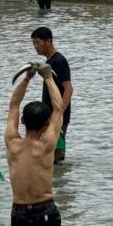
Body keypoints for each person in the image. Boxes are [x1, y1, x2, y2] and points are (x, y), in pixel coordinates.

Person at [5, 62, 64, 226]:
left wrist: (27, 78)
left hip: (19, 212)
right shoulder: (47, 145)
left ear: (22, 121)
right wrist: (48, 76)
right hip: (45, 209)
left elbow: (14, 105)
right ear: (46, 123)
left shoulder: (12, 143)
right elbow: (58, 107)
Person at [31, 27, 72, 164]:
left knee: (56, 159)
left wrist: (59, 114)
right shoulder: (48, 62)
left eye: (37, 43)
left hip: (57, 117)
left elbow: (69, 89)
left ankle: (58, 184)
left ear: (48, 41)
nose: (35, 47)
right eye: (34, 43)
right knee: (47, 155)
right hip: (48, 116)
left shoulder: (59, 61)